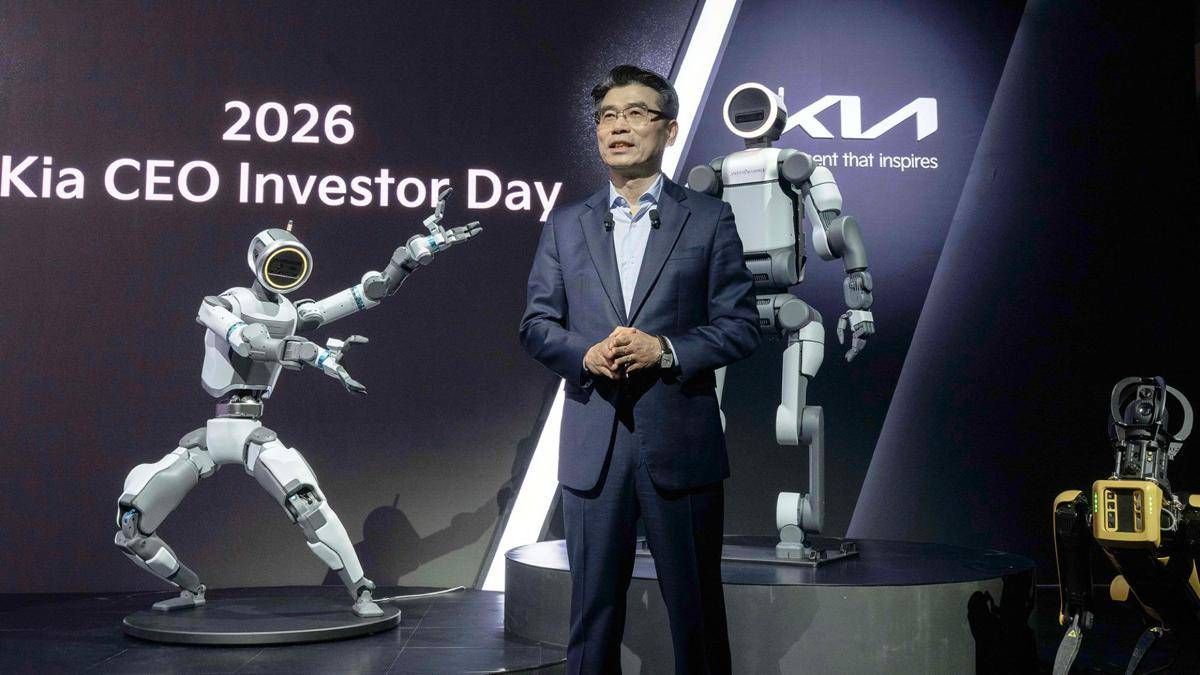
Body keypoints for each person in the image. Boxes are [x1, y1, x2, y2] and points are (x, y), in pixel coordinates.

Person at [519, 64, 760, 675]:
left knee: (696, 614)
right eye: (607, 116)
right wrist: (584, 354)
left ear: (669, 129)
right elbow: (537, 324)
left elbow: (740, 326)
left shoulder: (708, 218)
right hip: (593, 447)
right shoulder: (566, 223)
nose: (618, 127)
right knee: (591, 614)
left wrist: (666, 350)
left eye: (635, 113)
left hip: (679, 442)